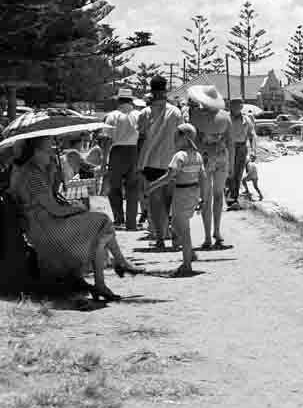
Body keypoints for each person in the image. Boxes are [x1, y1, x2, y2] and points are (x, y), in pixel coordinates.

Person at [10, 136, 142, 300]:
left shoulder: (36, 171)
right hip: (46, 227)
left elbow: (53, 201)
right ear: (36, 152)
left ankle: (108, 276)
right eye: (48, 150)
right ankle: (115, 268)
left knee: (101, 223)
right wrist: (75, 209)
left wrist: (54, 176)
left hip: (47, 222)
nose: (52, 153)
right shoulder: (32, 175)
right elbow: (54, 209)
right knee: (102, 222)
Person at [147, 124, 204, 276]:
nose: (173, 139)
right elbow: (203, 176)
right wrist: (203, 197)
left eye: (175, 136)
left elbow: (169, 176)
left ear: (183, 138)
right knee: (181, 226)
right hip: (194, 192)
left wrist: (152, 186)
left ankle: (187, 265)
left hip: (182, 192)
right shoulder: (197, 156)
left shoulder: (179, 156)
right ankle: (190, 253)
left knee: (182, 229)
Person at [137, 76, 183, 250]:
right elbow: (181, 138)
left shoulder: (144, 113)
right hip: (172, 162)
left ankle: (160, 239)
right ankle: (175, 238)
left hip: (150, 164)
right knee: (172, 202)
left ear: (152, 92)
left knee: (156, 203)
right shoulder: (176, 113)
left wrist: (138, 165)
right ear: (166, 91)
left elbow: (140, 140)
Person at [186, 85, 233, 250]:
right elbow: (230, 142)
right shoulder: (226, 117)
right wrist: (232, 164)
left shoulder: (196, 117)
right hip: (222, 157)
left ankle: (207, 236)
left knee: (206, 198)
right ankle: (217, 231)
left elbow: (192, 141)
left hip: (205, 159)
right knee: (219, 196)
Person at [102, 88, 140, 231]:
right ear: (131, 101)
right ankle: (131, 222)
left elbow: (106, 140)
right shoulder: (138, 114)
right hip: (134, 152)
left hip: (117, 152)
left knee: (115, 188)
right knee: (133, 188)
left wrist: (104, 161)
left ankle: (118, 219)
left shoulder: (112, 116)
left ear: (118, 101)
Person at [226, 98, 256, 209]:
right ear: (230, 106)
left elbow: (252, 135)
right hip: (229, 147)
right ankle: (229, 198)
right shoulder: (225, 118)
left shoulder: (246, 119)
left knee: (238, 173)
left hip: (242, 147)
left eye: (239, 104)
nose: (237, 107)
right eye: (234, 104)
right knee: (229, 173)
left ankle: (234, 198)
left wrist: (253, 150)